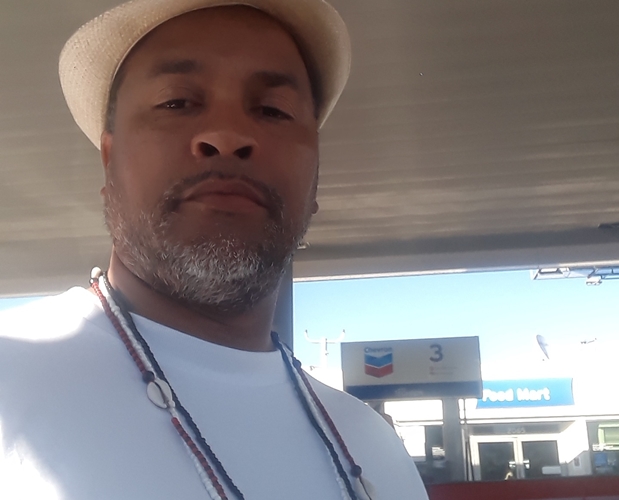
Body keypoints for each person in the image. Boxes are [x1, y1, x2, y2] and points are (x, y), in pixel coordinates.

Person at [0, 1, 429, 499]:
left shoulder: (373, 449)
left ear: (315, 180)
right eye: (177, 102)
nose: (228, 136)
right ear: (109, 162)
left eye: (273, 109)